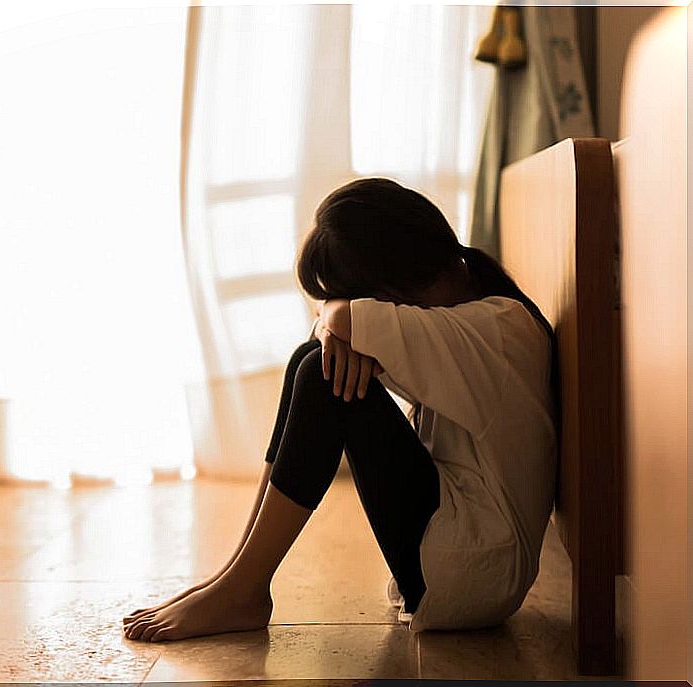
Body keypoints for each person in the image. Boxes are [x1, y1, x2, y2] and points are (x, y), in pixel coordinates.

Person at [122, 177, 558, 642]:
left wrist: (337, 321)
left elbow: (340, 318)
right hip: (463, 544)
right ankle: (238, 573)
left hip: (474, 570)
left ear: (395, 280)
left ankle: (244, 587)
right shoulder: (466, 308)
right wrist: (334, 325)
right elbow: (331, 321)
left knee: (322, 378)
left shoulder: (493, 329)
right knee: (308, 362)